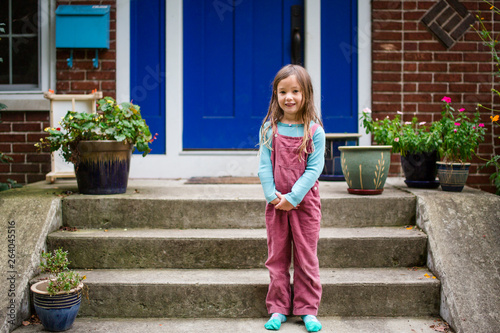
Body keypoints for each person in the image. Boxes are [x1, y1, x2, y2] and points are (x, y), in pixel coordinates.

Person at [258, 64, 325, 332]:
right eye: (283, 91)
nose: (289, 97)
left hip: (305, 205)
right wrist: (272, 196)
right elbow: (264, 165)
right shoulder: (269, 129)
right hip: (276, 204)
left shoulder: (314, 131)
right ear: (275, 94)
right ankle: (278, 307)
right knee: (277, 257)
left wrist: (294, 197)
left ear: (306, 94)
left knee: (306, 257)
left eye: (295, 91)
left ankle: (308, 309)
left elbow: (314, 169)